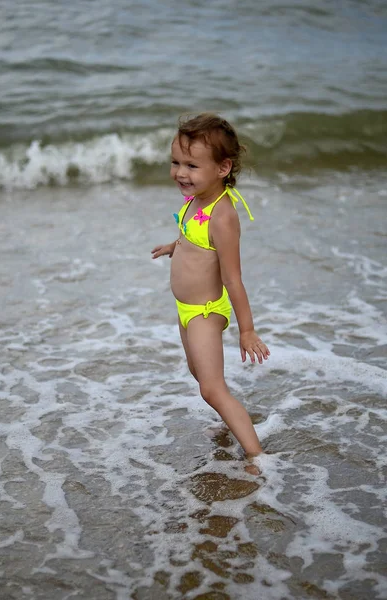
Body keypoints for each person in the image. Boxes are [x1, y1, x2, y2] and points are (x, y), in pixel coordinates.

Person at [151, 113, 270, 466]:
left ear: (222, 168)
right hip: (185, 310)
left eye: (192, 165)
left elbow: (233, 278)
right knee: (199, 374)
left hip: (206, 311)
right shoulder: (195, 200)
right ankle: (232, 424)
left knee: (211, 387)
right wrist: (176, 245)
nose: (180, 173)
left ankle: (258, 458)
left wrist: (246, 330)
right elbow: (194, 238)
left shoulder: (223, 216)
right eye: (176, 163)